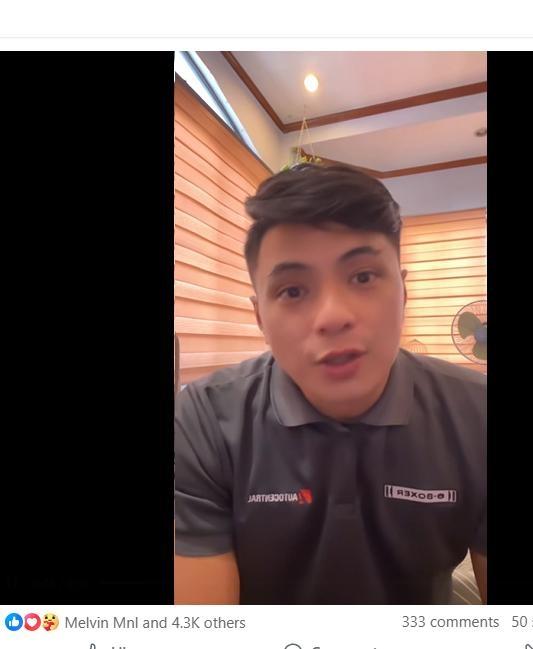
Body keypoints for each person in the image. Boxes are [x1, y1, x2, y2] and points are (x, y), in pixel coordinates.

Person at [174, 164, 486, 604]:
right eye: (293, 291)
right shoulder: (202, 422)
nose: (333, 316)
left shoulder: (477, 414)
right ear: (260, 317)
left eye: (363, 277)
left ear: (403, 291)